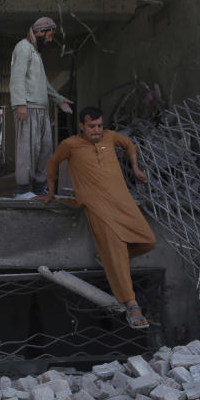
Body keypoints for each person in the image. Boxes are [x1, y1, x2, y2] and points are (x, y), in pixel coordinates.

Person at [40, 106, 156, 329]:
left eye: (100, 126)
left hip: (122, 203)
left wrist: (136, 168)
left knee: (148, 241)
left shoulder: (111, 137)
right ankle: (132, 306)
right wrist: (51, 191)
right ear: (82, 126)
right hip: (97, 207)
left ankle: (110, 261)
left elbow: (130, 145)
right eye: (91, 126)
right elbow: (53, 163)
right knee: (116, 249)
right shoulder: (70, 145)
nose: (97, 130)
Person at [9, 16, 73, 199]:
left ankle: (39, 189)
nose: (50, 39)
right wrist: (20, 104)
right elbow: (17, 77)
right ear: (39, 32)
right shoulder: (23, 48)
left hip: (41, 109)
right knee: (27, 150)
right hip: (27, 107)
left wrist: (59, 99)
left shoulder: (35, 52)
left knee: (44, 150)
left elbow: (43, 83)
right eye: (49, 35)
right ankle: (23, 190)